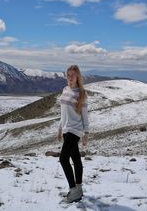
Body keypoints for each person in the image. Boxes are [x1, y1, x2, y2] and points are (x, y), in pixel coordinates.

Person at [57, 65, 89, 203]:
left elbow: (85, 115)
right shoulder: (65, 89)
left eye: (73, 75)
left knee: (64, 159)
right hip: (65, 129)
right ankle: (79, 188)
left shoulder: (81, 93)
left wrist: (86, 132)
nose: (70, 77)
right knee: (76, 159)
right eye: (68, 75)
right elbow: (63, 112)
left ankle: (73, 190)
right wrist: (59, 128)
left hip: (75, 130)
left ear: (78, 77)